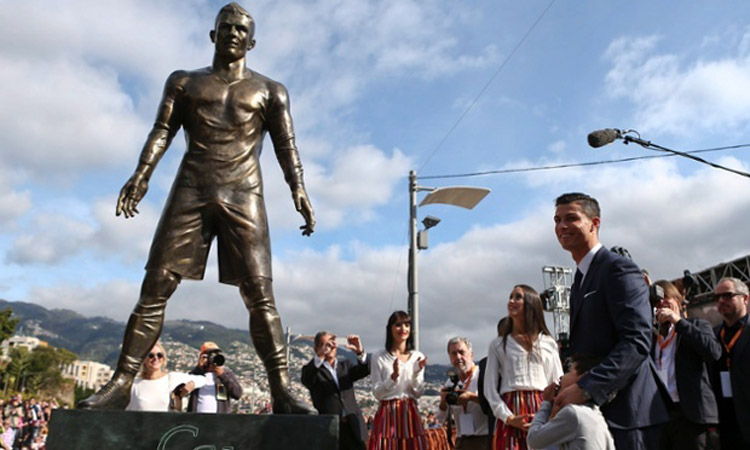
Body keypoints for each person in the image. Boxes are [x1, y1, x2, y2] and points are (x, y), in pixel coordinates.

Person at [78, 2, 316, 414]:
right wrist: (142, 173)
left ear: (253, 41)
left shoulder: (270, 90)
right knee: (155, 287)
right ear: (213, 35)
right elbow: (163, 130)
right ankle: (120, 384)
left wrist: (299, 189)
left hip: (245, 194)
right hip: (191, 188)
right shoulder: (184, 82)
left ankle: (281, 390)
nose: (234, 33)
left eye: (242, 29)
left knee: (260, 294)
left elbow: (286, 146)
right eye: (226, 27)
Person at [552, 192, 669, 450]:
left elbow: (637, 341)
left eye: (571, 218)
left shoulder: (618, 268)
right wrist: (566, 380)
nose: (562, 226)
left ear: (595, 223)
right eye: (557, 220)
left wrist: (586, 388)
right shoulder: (579, 281)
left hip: (631, 415)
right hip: (599, 416)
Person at [484, 285, 563, 450]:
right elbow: (489, 390)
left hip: (542, 411)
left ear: (530, 303)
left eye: (518, 297)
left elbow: (557, 383)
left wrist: (551, 415)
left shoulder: (548, 343)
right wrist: (509, 418)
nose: (511, 301)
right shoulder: (497, 345)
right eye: (511, 296)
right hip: (511, 413)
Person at [651, 280, 721, 450]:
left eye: (666, 298)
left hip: (692, 416)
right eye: (656, 302)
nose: (661, 304)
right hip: (664, 415)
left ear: (678, 300)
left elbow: (713, 352)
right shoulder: (653, 338)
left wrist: (678, 322)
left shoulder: (696, 325)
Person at [527, 353, 615, 450]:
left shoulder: (574, 413)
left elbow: (533, 440)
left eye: (569, 371)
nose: (561, 377)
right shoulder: (597, 416)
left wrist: (546, 402)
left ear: (583, 378)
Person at [368, 311, 428, 450]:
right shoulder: (379, 357)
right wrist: (393, 377)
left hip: (410, 411)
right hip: (387, 412)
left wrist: (416, 372)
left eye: (407, 325)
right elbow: (377, 393)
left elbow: (418, 392)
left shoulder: (417, 356)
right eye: (398, 325)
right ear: (390, 328)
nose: (403, 329)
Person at [301, 332, 369, 450]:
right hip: (330, 428)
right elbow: (306, 379)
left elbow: (364, 370)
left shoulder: (345, 366)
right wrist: (320, 355)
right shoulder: (314, 371)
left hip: (353, 427)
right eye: (324, 344)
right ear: (316, 348)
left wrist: (360, 352)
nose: (329, 348)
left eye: (331, 344)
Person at [712, 277, 750, 449]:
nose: (721, 301)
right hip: (726, 420)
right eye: (717, 297)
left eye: (728, 295)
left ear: (745, 298)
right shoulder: (713, 335)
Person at [437, 337, 489, 450]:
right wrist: (443, 402)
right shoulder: (450, 382)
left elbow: (494, 405)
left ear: (471, 355)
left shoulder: (483, 375)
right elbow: (441, 418)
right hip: (462, 440)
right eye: (454, 354)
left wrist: (471, 398)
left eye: (461, 352)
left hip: (484, 438)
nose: (458, 357)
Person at [126, 341, 206, 412]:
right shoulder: (134, 384)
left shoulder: (172, 378)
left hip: (168, 427)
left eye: (159, 355)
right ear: (144, 360)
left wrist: (192, 384)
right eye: (151, 355)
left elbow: (202, 379)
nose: (155, 358)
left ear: (163, 359)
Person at [186, 342, 243, 414]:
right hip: (197, 419)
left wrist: (222, 375)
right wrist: (199, 369)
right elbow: (184, 389)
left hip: (219, 420)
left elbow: (237, 394)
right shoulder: (196, 374)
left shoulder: (226, 374)